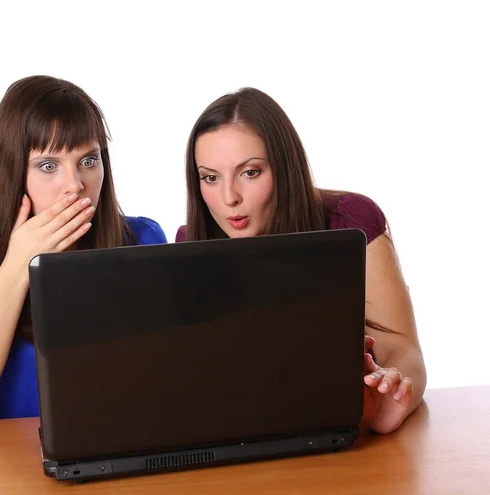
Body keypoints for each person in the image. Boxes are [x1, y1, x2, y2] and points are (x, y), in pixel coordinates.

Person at [176, 87, 426, 434]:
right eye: (211, 177)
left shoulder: (350, 219)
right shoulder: (189, 245)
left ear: (283, 166)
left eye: (250, 172)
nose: (229, 198)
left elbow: (403, 347)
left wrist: (392, 395)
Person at [0, 76, 167, 425]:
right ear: (14, 175)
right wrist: (18, 263)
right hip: (13, 471)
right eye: (48, 166)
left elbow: (169, 381)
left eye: (89, 161)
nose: (75, 185)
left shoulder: (143, 238)